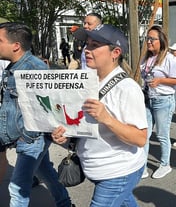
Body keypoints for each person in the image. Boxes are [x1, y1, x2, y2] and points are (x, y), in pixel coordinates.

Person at [54, 24, 148, 206]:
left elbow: (140, 139)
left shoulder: (127, 89)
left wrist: (106, 118)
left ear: (115, 52)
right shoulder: (86, 81)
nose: (86, 50)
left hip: (118, 172)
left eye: (95, 45)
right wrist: (64, 138)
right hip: (93, 167)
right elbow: (84, 126)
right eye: (87, 44)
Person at [0, 22, 73, 206]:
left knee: (17, 188)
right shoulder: (12, 67)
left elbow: (49, 107)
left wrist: (28, 137)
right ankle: (64, 203)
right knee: (45, 171)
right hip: (21, 136)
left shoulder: (35, 68)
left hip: (31, 138)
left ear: (16, 45)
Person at [140, 25, 176, 179]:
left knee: (162, 135)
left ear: (161, 41)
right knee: (144, 134)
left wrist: (160, 80)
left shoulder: (169, 58)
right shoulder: (146, 57)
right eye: (147, 38)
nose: (149, 41)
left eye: (152, 39)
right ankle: (142, 166)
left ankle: (165, 164)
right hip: (147, 99)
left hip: (163, 100)